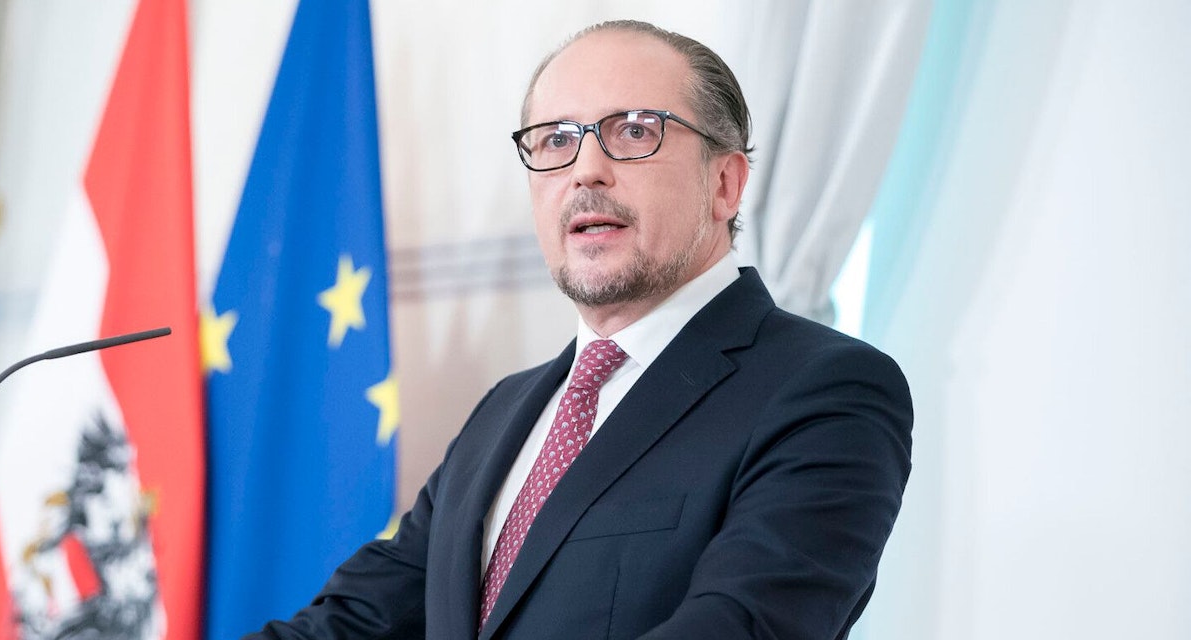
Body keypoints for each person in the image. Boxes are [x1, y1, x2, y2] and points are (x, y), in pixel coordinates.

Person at [248, 20, 911, 640]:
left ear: (725, 183)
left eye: (635, 131)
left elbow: (739, 625)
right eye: (557, 140)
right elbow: (352, 623)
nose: (585, 170)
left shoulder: (827, 389)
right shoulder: (503, 409)